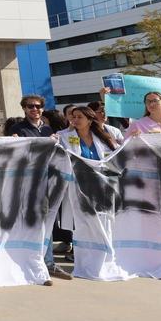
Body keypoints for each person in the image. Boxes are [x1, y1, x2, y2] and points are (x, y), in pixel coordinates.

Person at [49, 106, 121, 283]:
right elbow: (58, 155)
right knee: (84, 227)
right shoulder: (64, 136)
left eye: (79, 117)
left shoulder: (104, 137)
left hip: (103, 188)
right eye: (72, 117)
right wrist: (51, 141)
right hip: (78, 188)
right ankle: (87, 264)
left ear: (89, 119)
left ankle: (106, 261)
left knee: (105, 225)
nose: (74, 120)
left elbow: (117, 155)